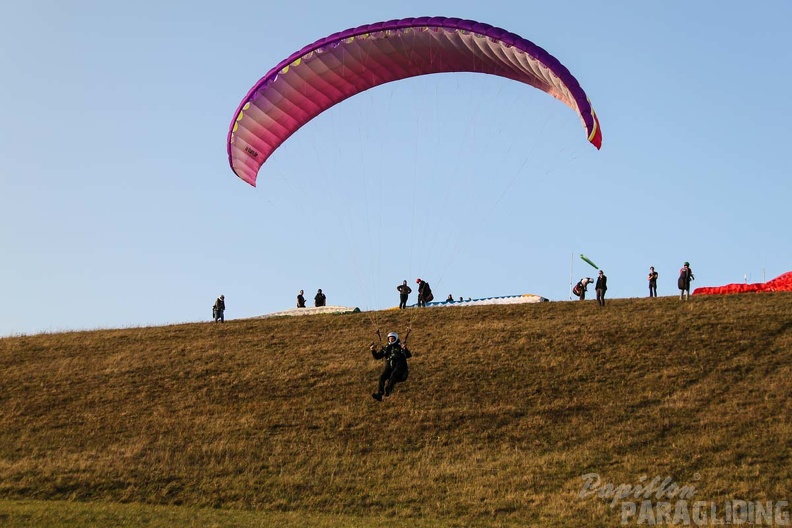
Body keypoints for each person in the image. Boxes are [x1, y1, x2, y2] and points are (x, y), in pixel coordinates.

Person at [370, 331, 411, 401]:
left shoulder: (400, 347)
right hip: (390, 368)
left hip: (400, 369)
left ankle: (387, 391)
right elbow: (377, 356)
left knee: (393, 376)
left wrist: (405, 349)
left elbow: (408, 355)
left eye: (392, 339)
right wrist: (373, 350)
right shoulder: (386, 348)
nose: (391, 340)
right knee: (382, 377)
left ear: (396, 339)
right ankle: (380, 394)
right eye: (390, 339)